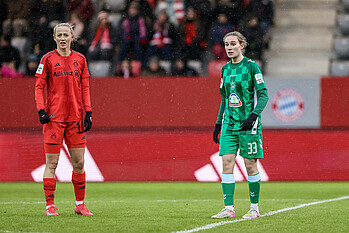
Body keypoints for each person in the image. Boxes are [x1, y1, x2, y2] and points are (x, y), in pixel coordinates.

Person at [34, 23, 93, 216]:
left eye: (65, 35)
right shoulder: (47, 59)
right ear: (54, 38)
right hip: (54, 119)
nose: (62, 38)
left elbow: (85, 88)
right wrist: (41, 110)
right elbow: (38, 86)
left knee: (79, 164)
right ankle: (50, 206)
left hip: (75, 119)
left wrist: (88, 112)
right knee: (52, 164)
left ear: (72, 37)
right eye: (59, 35)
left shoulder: (81, 60)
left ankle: (80, 205)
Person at [211, 31, 268, 219]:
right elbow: (224, 99)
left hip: (248, 125)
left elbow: (264, 95)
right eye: (226, 44)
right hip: (229, 124)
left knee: (250, 165)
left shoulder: (252, 67)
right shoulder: (225, 69)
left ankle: (254, 208)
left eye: (233, 44)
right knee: (226, 162)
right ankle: (229, 208)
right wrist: (218, 123)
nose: (229, 47)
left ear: (242, 45)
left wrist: (253, 116)